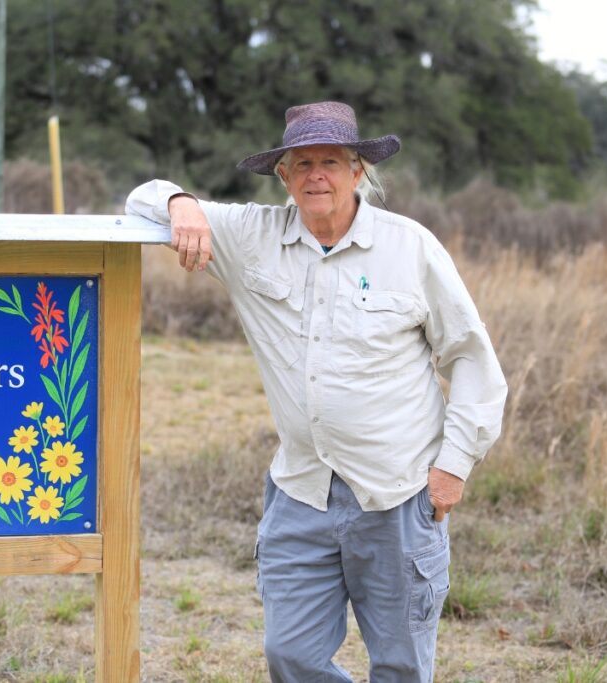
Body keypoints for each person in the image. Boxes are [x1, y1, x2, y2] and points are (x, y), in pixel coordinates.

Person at [126, 101, 507, 683]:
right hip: (301, 491)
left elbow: (472, 358)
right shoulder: (253, 236)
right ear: (283, 176)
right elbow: (141, 198)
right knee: (291, 656)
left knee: (402, 666)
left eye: (330, 161)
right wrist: (182, 205)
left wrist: (455, 464)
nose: (315, 175)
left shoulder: (411, 248)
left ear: (359, 172)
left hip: (399, 493)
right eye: (301, 164)